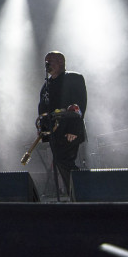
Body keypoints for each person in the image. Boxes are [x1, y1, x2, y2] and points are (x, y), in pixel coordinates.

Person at [38, 51, 87, 195]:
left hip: (69, 129)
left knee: (64, 161)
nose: (47, 65)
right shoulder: (46, 85)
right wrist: (43, 130)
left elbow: (79, 104)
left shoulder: (73, 78)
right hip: (55, 132)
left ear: (60, 62)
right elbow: (42, 108)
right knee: (61, 162)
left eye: (50, 61)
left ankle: (82, 191)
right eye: (45, 62)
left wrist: (74, 128)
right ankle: (76, 193)